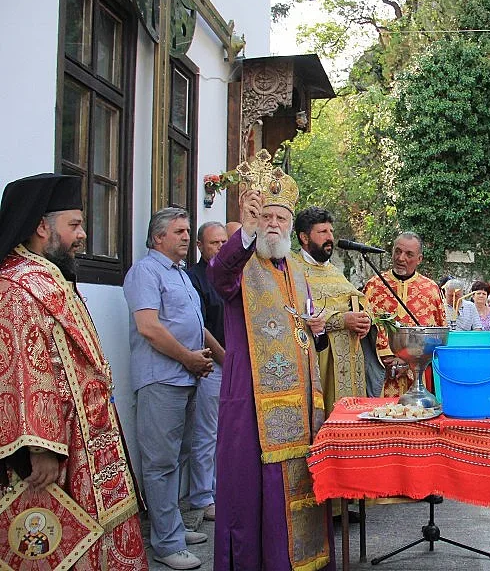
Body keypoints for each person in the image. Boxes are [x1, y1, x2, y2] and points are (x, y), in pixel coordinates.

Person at [0, 174, 148, 570]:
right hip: (58, 450)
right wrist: (41, 448)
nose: (82, 235)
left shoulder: (50, 276)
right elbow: (24, 370)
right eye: (75, 225)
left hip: (90, 438)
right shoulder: (17, 286)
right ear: (41, 226)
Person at [208, 154, 334, 571]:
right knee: (253, 494)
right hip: (253, 404)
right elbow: (219, 277)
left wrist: (316, 326)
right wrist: (244, 230)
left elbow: (304, 323)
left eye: (281, 217)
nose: (274, 224)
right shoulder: (241, 264)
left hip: (302, 406)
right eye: (267, 217)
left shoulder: (296, 269)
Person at [124, 207, 225, 570]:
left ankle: (175, 528)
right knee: (161, 463)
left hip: (187, 378)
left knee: (180, 456)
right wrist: (188, 358)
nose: (186, 237)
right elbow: (150, 328)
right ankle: (165, 544)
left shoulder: (181, 275)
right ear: (158, 238)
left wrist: (223, 357)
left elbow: (196, 325)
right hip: (162, 380)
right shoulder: (145, 272)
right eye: (180, 231)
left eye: (187, 231)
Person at [294, 207, 372, 414]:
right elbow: (298, 311)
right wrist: (342, 321)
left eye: (331, 231)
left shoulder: (334, 270)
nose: (330, 238)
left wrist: (365, 319)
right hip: (321, 359)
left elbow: (359, 299)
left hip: (351, 358)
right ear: (304, 237)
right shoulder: (293, 269)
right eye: (322, 232)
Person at [363, 232, 446, 397]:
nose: (401, 258)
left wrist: (409, 361)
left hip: (417, 375)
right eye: (397, 252)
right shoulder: (374, 286)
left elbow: (440, 335)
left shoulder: (431, 290)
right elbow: (364, 333)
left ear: (419, 259)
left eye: (409, 254)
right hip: (379, 373)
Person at [186, 221, 229, 523]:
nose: (221, 248)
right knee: (207, 434)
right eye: (215, 243)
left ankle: (224, 490)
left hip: (238, 366)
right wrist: (225, 357)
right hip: (214, 365)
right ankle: (203, 495)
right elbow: (198, 326)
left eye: (225, 242)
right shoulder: (195, 278)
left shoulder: (234, 275)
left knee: (230, 433)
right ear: (200, 246)